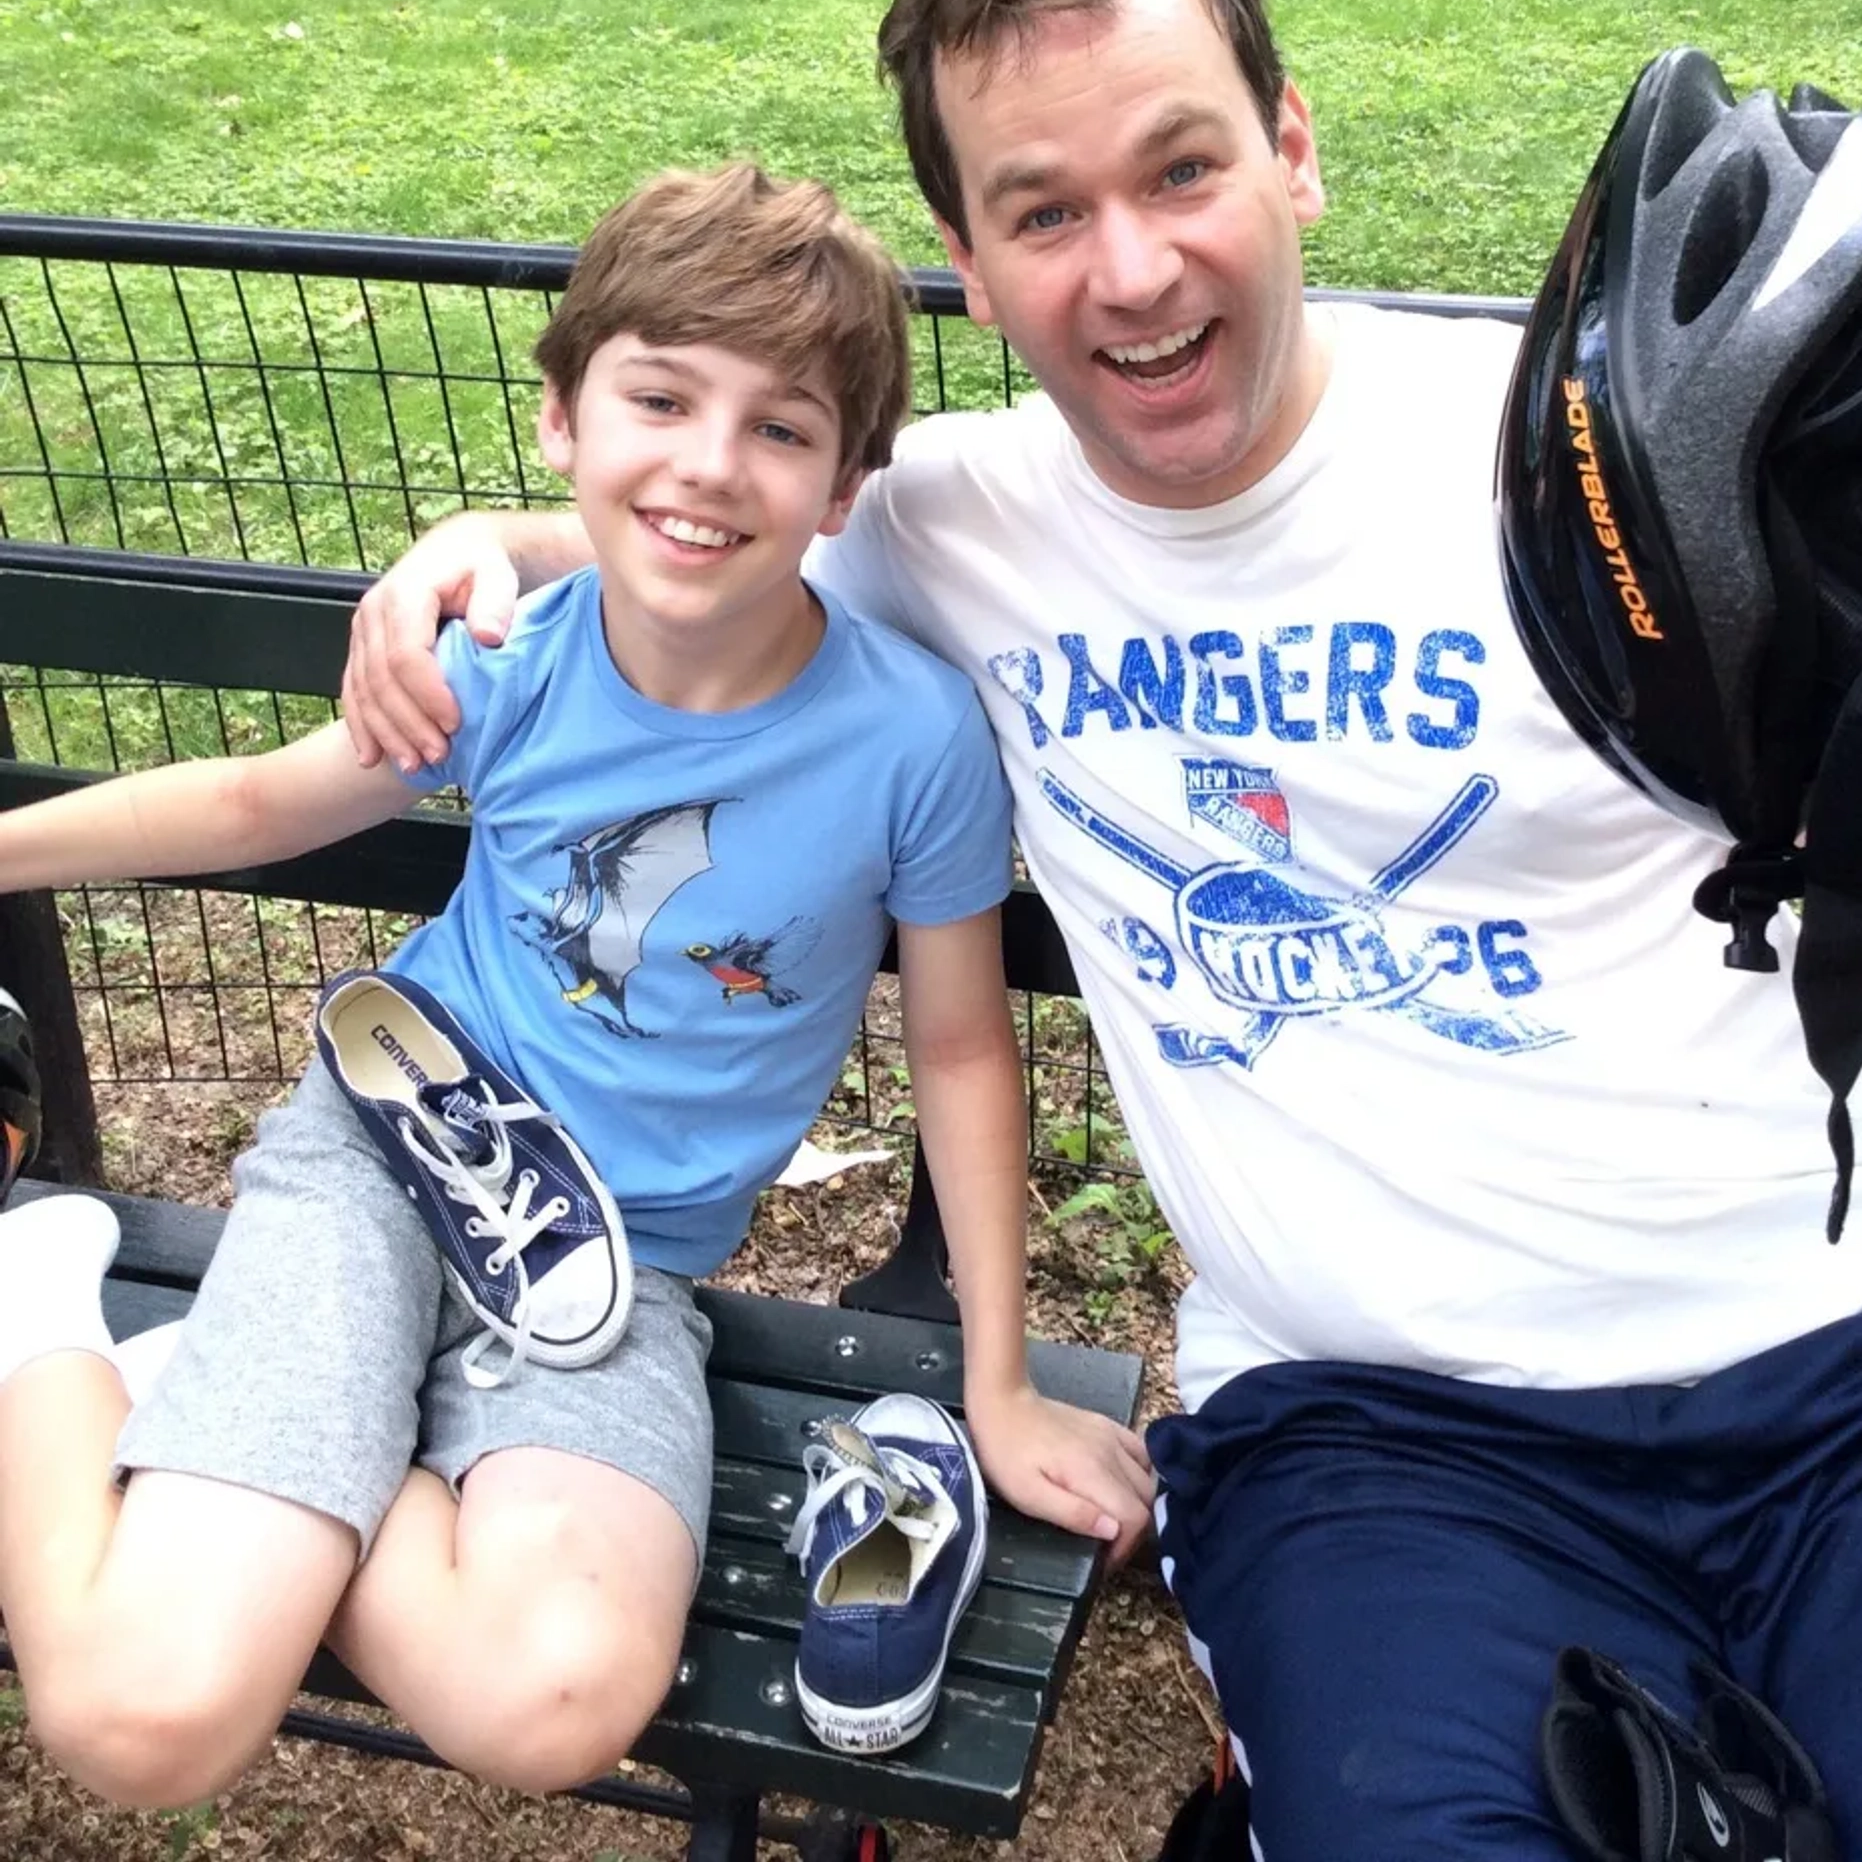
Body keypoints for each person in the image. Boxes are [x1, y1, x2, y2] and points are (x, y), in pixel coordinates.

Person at [339, 0, 1862, 1862]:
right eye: (1046, 211)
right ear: (971, 268)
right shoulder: (952, 534)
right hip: (1378, 1432)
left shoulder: (1593, 470)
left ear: (1296, 149)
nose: (1135, 267)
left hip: (1857, 1359)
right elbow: (678, 518)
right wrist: (464, 551)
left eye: (1184, 166)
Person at [0, 160, 1153, 1814]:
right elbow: (261, 802)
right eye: (662, 398)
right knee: (137, 1722)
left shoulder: (911, 740)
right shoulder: (506, 660)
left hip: (621, 1273)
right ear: (562, 420)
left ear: (841, 490)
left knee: (550, 1702)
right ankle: (40, 1314)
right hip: (395, 1149)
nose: (707, 464)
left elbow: (965, 1052)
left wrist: (997, 1383)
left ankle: (241, 1416)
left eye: (780, 428)